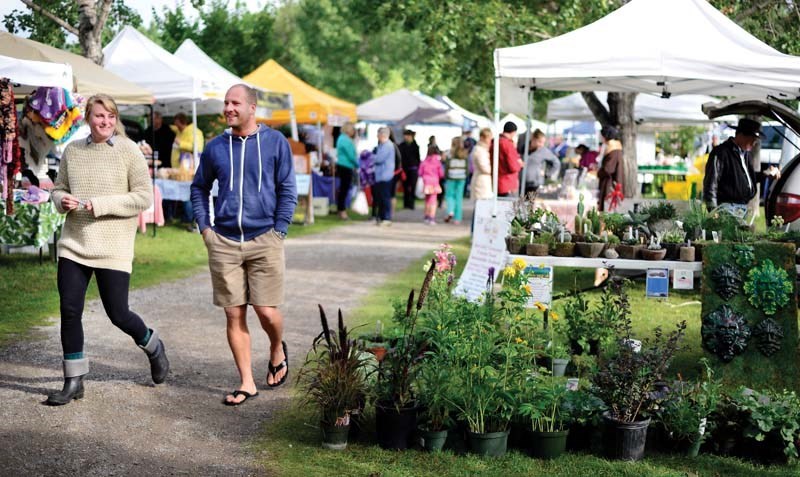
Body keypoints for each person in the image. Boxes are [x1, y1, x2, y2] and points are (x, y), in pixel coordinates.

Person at [47, 94, 169, 406]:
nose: (106, 122)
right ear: (88, 117)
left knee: (118, 314)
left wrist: (100, 205)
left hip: (113, 245)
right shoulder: (73, 151)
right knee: (70, 310)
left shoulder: (129, 151)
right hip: (74, 243)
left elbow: (143, 197)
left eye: (111, 116)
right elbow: (58, 188)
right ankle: (73, 379)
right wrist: (61, 200)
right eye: (100, 116)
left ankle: (153, 345)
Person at [190, 84, 297, 405]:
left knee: (266, 311)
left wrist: (279, 230)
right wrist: (205, 229)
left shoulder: (276, 142)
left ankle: (277, 347)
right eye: (226, 102)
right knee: (234, 314)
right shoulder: (214, 148)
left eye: (235, 102)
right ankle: (247, 382)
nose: (228, 108)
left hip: (265, 237)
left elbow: (287, 188)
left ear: (252, 108)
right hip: (223, 240)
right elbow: (199, 188)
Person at [703, 118, 762, 218]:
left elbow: (742, 178)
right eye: (752, 139)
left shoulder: (745, 154)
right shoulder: (721, 152)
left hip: (741, 208)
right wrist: (713, 210)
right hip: (726, 208)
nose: (753, 143)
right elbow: (711, 183)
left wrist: (764, 174)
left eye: (755, 141)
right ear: (741, 135)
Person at [172, 113, 204, 226]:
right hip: (182, 169)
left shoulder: (194, 132)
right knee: (185, 193)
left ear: (182, 122)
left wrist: (180, 143)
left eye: (177, 124)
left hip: (190, 169)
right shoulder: (182, 131)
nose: (176, 127)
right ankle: (186, 217)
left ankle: (190, 218)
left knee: (189, 193)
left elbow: (197, 148)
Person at [524, 129, 561, 195]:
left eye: (543, 142)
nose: (542, 145)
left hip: (535, 185)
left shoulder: (544, 151)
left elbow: (557, 163)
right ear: (533, 139)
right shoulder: (524, 147)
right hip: (522, 184)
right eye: (540, 142)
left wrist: (547, 174)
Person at [372, 127, 396, 226]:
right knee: (381, 198)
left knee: (385, 197)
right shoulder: (382, 145)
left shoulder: (387, 146)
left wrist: (371, 157)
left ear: (383, 135)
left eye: (378, 135)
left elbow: (379, 159)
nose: (377, 137)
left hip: (385, 176)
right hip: (380, 175)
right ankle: (381, 217)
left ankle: (386, 218)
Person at [597, 125, 624, 211]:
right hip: (611, 182)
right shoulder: (613, 147)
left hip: (610, 184)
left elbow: (608, 169)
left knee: (608, 211)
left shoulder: (613, 149)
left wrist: (598, 172)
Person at [335, 122, 358, 220]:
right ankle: (342, 211)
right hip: (346, 166)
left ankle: (340, 209)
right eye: (353, 130)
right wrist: (358, 165)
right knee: (344, 190)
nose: (354, 132)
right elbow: (351, 155)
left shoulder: (340, 138)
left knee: (342, 189)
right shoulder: (346, 140)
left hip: (342, 165)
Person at [444, 136, 468, 224]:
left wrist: (446, 176)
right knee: (459, 197)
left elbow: (447, 167)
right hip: (461, 178)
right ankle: (457, 218)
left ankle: (450, 210)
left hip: (451, 177)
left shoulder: (449, 154)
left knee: (450, 196)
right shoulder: (464, 154)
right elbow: (467, 168)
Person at [496, 121, 523, 197]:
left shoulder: (496, 141)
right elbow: (513, 166)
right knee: (507, 207)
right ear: (513, 132)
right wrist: (519, 164)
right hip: (507, 182)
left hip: (497, 180)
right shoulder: (507, 144)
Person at [419, 145, 444, 225]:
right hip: (434, 182)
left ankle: (426, 216)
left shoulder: (424, 161)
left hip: (426, 182)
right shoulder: (437, 162)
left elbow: (420, 172)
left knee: (427, 200)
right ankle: (431, 217)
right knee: (433, 201)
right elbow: (441, 174)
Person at [398, 129, 421, 210]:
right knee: (405, 186)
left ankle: (411, 203)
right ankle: (406, 203)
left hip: (413, 169)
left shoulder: (415, 146)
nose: (406, 137)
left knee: (412, 187)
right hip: (404, 169)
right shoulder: (402, 146)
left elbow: (418, 158)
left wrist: (417, 167)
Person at [470, 127, 494, 200]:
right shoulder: (479, 150)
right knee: (480, 206)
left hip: (483, 180)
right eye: (488, 138)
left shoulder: (482, 149)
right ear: (482, 138)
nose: (490, 140)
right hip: (481, 181)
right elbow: (484, 167)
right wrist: (494, 170)